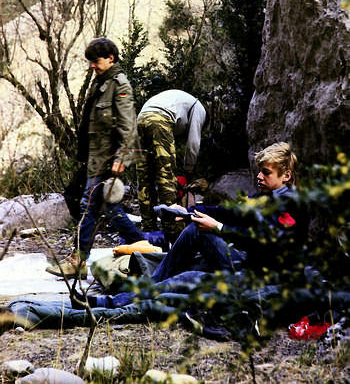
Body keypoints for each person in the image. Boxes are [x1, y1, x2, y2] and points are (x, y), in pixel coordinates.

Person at [76, 142, 306, 309]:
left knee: (186, 278)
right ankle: (142, 290)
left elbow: (268, 244)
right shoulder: (261, 199)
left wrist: (219, 229)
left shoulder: (292, 206)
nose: (259, 177)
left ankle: (115, 302)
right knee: (196, 228)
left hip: (263, 279)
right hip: (246, 265)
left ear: (285, 175)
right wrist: (187, 213)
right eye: (259, 171)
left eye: (266, 173)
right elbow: (228, 213)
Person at [46, 37, 140, 279]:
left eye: (96, 61)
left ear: (111, 58)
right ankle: (142, 246)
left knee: (89, 205)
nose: (92, 66)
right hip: (93, 158)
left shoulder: (119, 85)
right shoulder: (101, 83)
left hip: (107, 159)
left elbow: (128, 127)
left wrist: (122, 158)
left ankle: (78, 259)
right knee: (100, 205)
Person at [136, 89, 206, 240]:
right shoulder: (199, 108)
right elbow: (193, 143)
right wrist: (189, 169)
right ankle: (173, 231)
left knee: (144, 178)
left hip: (141, 118)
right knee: (165, 176)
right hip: (159, 119)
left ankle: (148, 231)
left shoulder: (182, 101)